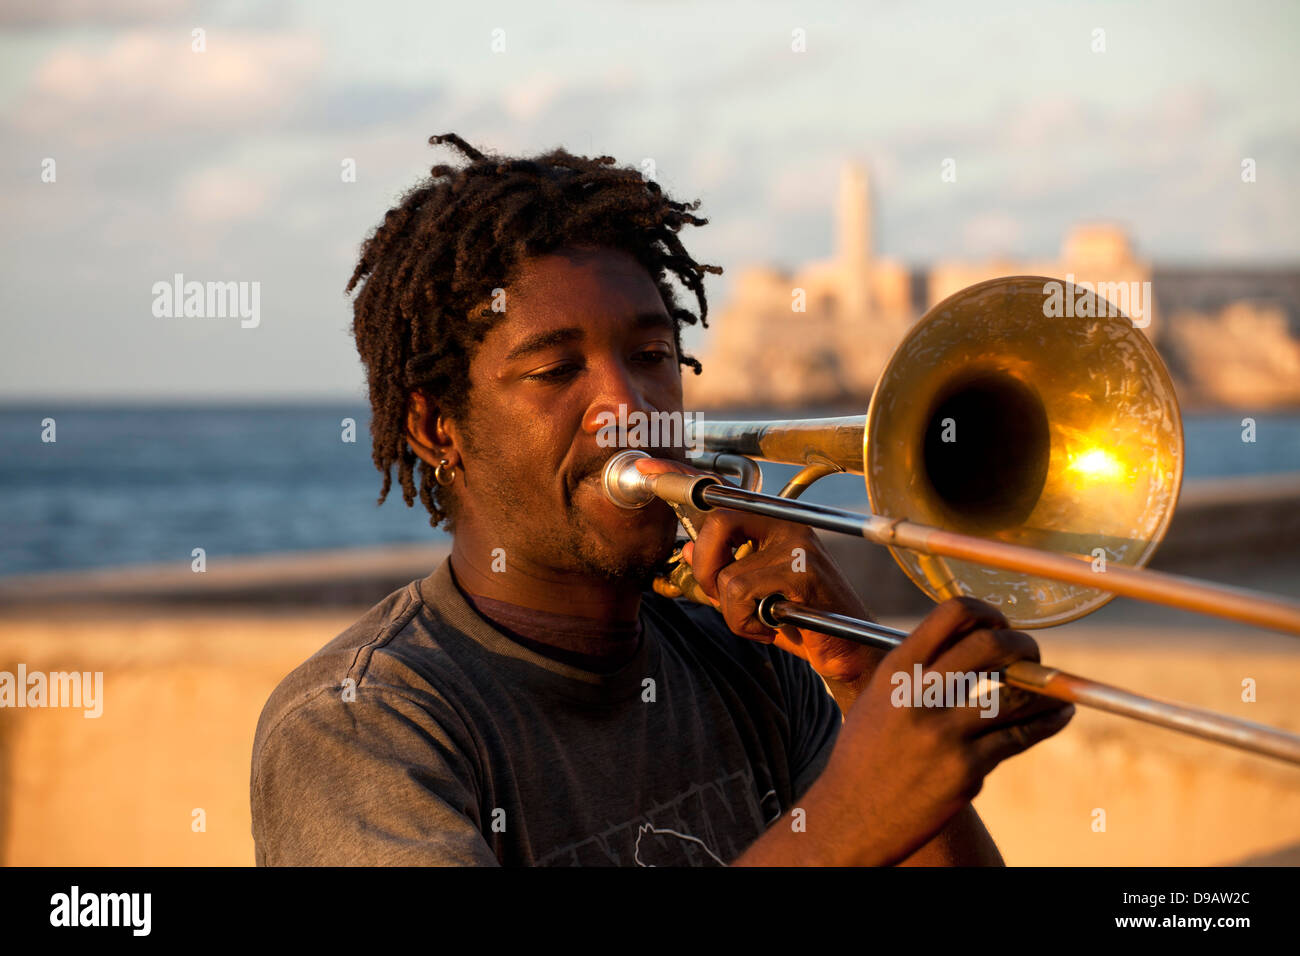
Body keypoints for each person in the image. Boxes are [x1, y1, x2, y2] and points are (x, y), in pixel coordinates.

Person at [249, 133, 1074, 866]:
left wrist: (862, 676)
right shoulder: (361, 724)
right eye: (555, 371)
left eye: (650, 355)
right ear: (437, 429)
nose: (630, 409)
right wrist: (843, 827)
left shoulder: (749, 657)